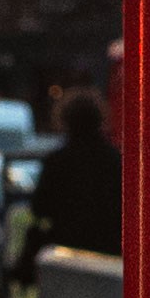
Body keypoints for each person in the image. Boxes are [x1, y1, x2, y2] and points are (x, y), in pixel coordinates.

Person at [30, 84, 123, 256]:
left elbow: (40, 208)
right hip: (108, 248)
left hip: (66, 248)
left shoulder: (57, 161)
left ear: (65, 119)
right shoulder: (116, 160)